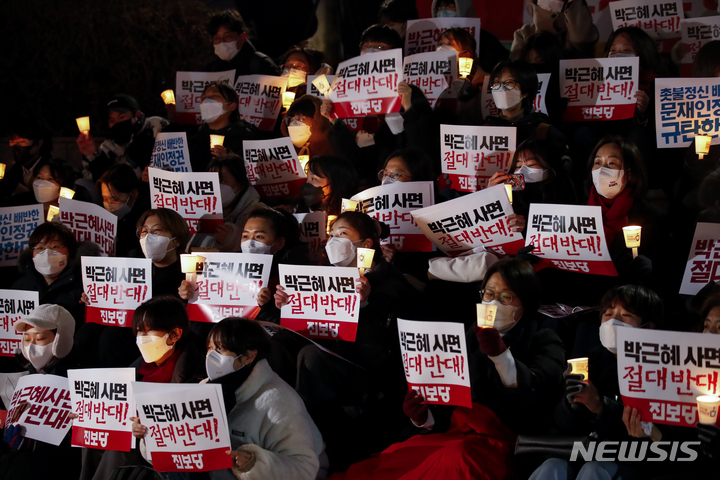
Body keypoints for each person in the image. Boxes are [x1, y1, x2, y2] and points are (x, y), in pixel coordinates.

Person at [331, 258, 565, 479]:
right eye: (490, 294)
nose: (493, 303)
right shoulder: (467, 335)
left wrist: (502, 357)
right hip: (454, 434)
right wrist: (425, 417)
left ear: (527, 301)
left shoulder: (544, 339)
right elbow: (450, 401)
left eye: (506, 297)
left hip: (505, 443)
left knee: (456, 461)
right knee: (375, 468)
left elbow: (536, 393)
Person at [529, 284, 663, 480]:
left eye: (625, 316)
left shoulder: (661, 372)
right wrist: (572, 406)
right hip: (583, 452)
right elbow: (560, 426)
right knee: (552, 466)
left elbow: (651, 436)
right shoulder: (586, 363)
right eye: (607, 314)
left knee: (595, 470)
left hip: (632, 461)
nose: (613, 322)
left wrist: (600, 406)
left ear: (649, 326)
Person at [185, 318, 327, 479]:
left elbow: (304, 468)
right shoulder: (204, 389)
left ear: (248, 356)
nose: (211, 356)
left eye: (221, 349)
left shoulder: (278, 400)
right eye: (210, 348)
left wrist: (254, 464)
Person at [81, 295, 204, 480]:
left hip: (165, 461)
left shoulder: (198, 375)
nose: (141, 339)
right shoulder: (135, 370)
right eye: (139, 332)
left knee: (121, 448)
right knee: (92, 436)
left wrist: (147, 431)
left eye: (149, 331)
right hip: (136, 444)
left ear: (175, 335)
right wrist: (88, 413)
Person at [0, 305, 82, 480]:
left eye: (40, 338)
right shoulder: (28, 373)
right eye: (27, 340)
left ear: (61, 339)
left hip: (57, 462)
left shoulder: (82, 375)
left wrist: (35, 445)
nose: (32, 346)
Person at [76, 94, 168, 181]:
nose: (117, 123)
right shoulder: (110, 146)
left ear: (137, 115)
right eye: (112, 120)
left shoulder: (153, 125)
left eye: (121, 117)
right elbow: (94, 179)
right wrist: (92, 155)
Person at [12, 222, 84, 325]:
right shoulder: (20, 286)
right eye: (40, 248)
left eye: (55, 247)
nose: (46, 253)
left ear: (69, 251)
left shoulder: (82, 285)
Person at [488, 138, 578, 219]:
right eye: (518, 166)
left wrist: (526, 225)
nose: (522, 170)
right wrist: (491, 196)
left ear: (551, 166)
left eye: (531, 165)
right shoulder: (510, 193)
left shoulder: (565, 194)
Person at [187, 82, 259, 173]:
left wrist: (229, 159)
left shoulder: (247, 139)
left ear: (232, 106)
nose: (206, 101)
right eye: (203, 98)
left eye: (214, 96)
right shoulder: (193, 140)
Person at [208, 154, 267, 252]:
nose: (214, 186)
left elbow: (260, 249)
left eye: (222, 180)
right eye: (210, 181)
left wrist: (231, 238)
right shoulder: (200, 214)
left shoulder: (259, 214)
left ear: (240, 185)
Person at [205, 9, 279, 80]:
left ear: (242, 37)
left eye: (227, 36)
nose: (222, 42)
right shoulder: (212, 69)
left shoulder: (262, 65)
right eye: (217, 38)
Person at [511, 0, 598, 60]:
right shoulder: (524, 33)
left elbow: (580, 40)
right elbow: (514, 71)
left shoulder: (582, 28)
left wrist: (572, 4)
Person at [98, 164, 150, 257]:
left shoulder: (147, 217)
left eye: (115, 199)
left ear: (134, 194)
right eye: (105, 199)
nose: (109, 204)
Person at [0, 117, 53, 202]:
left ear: (39, 144)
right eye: (12, 142)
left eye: (22, 142)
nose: (16, 147)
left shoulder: (51, 169)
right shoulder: (16, 169)